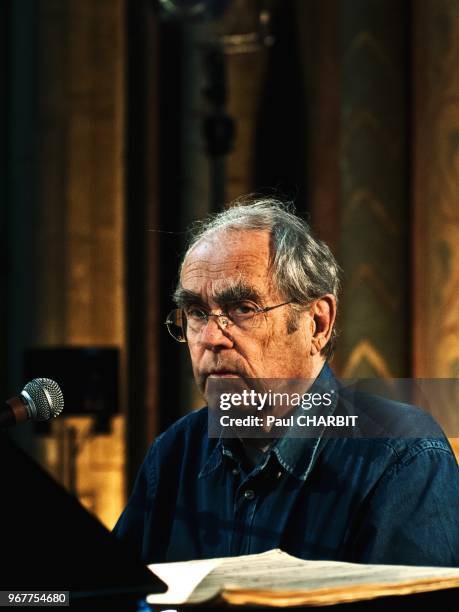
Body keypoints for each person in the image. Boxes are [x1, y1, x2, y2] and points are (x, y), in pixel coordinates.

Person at [113, 196, 459, 566]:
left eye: (243, 308)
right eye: (197, 312)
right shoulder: (173, 454)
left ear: (317, 324)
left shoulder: (401, 454)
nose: (211, 337)